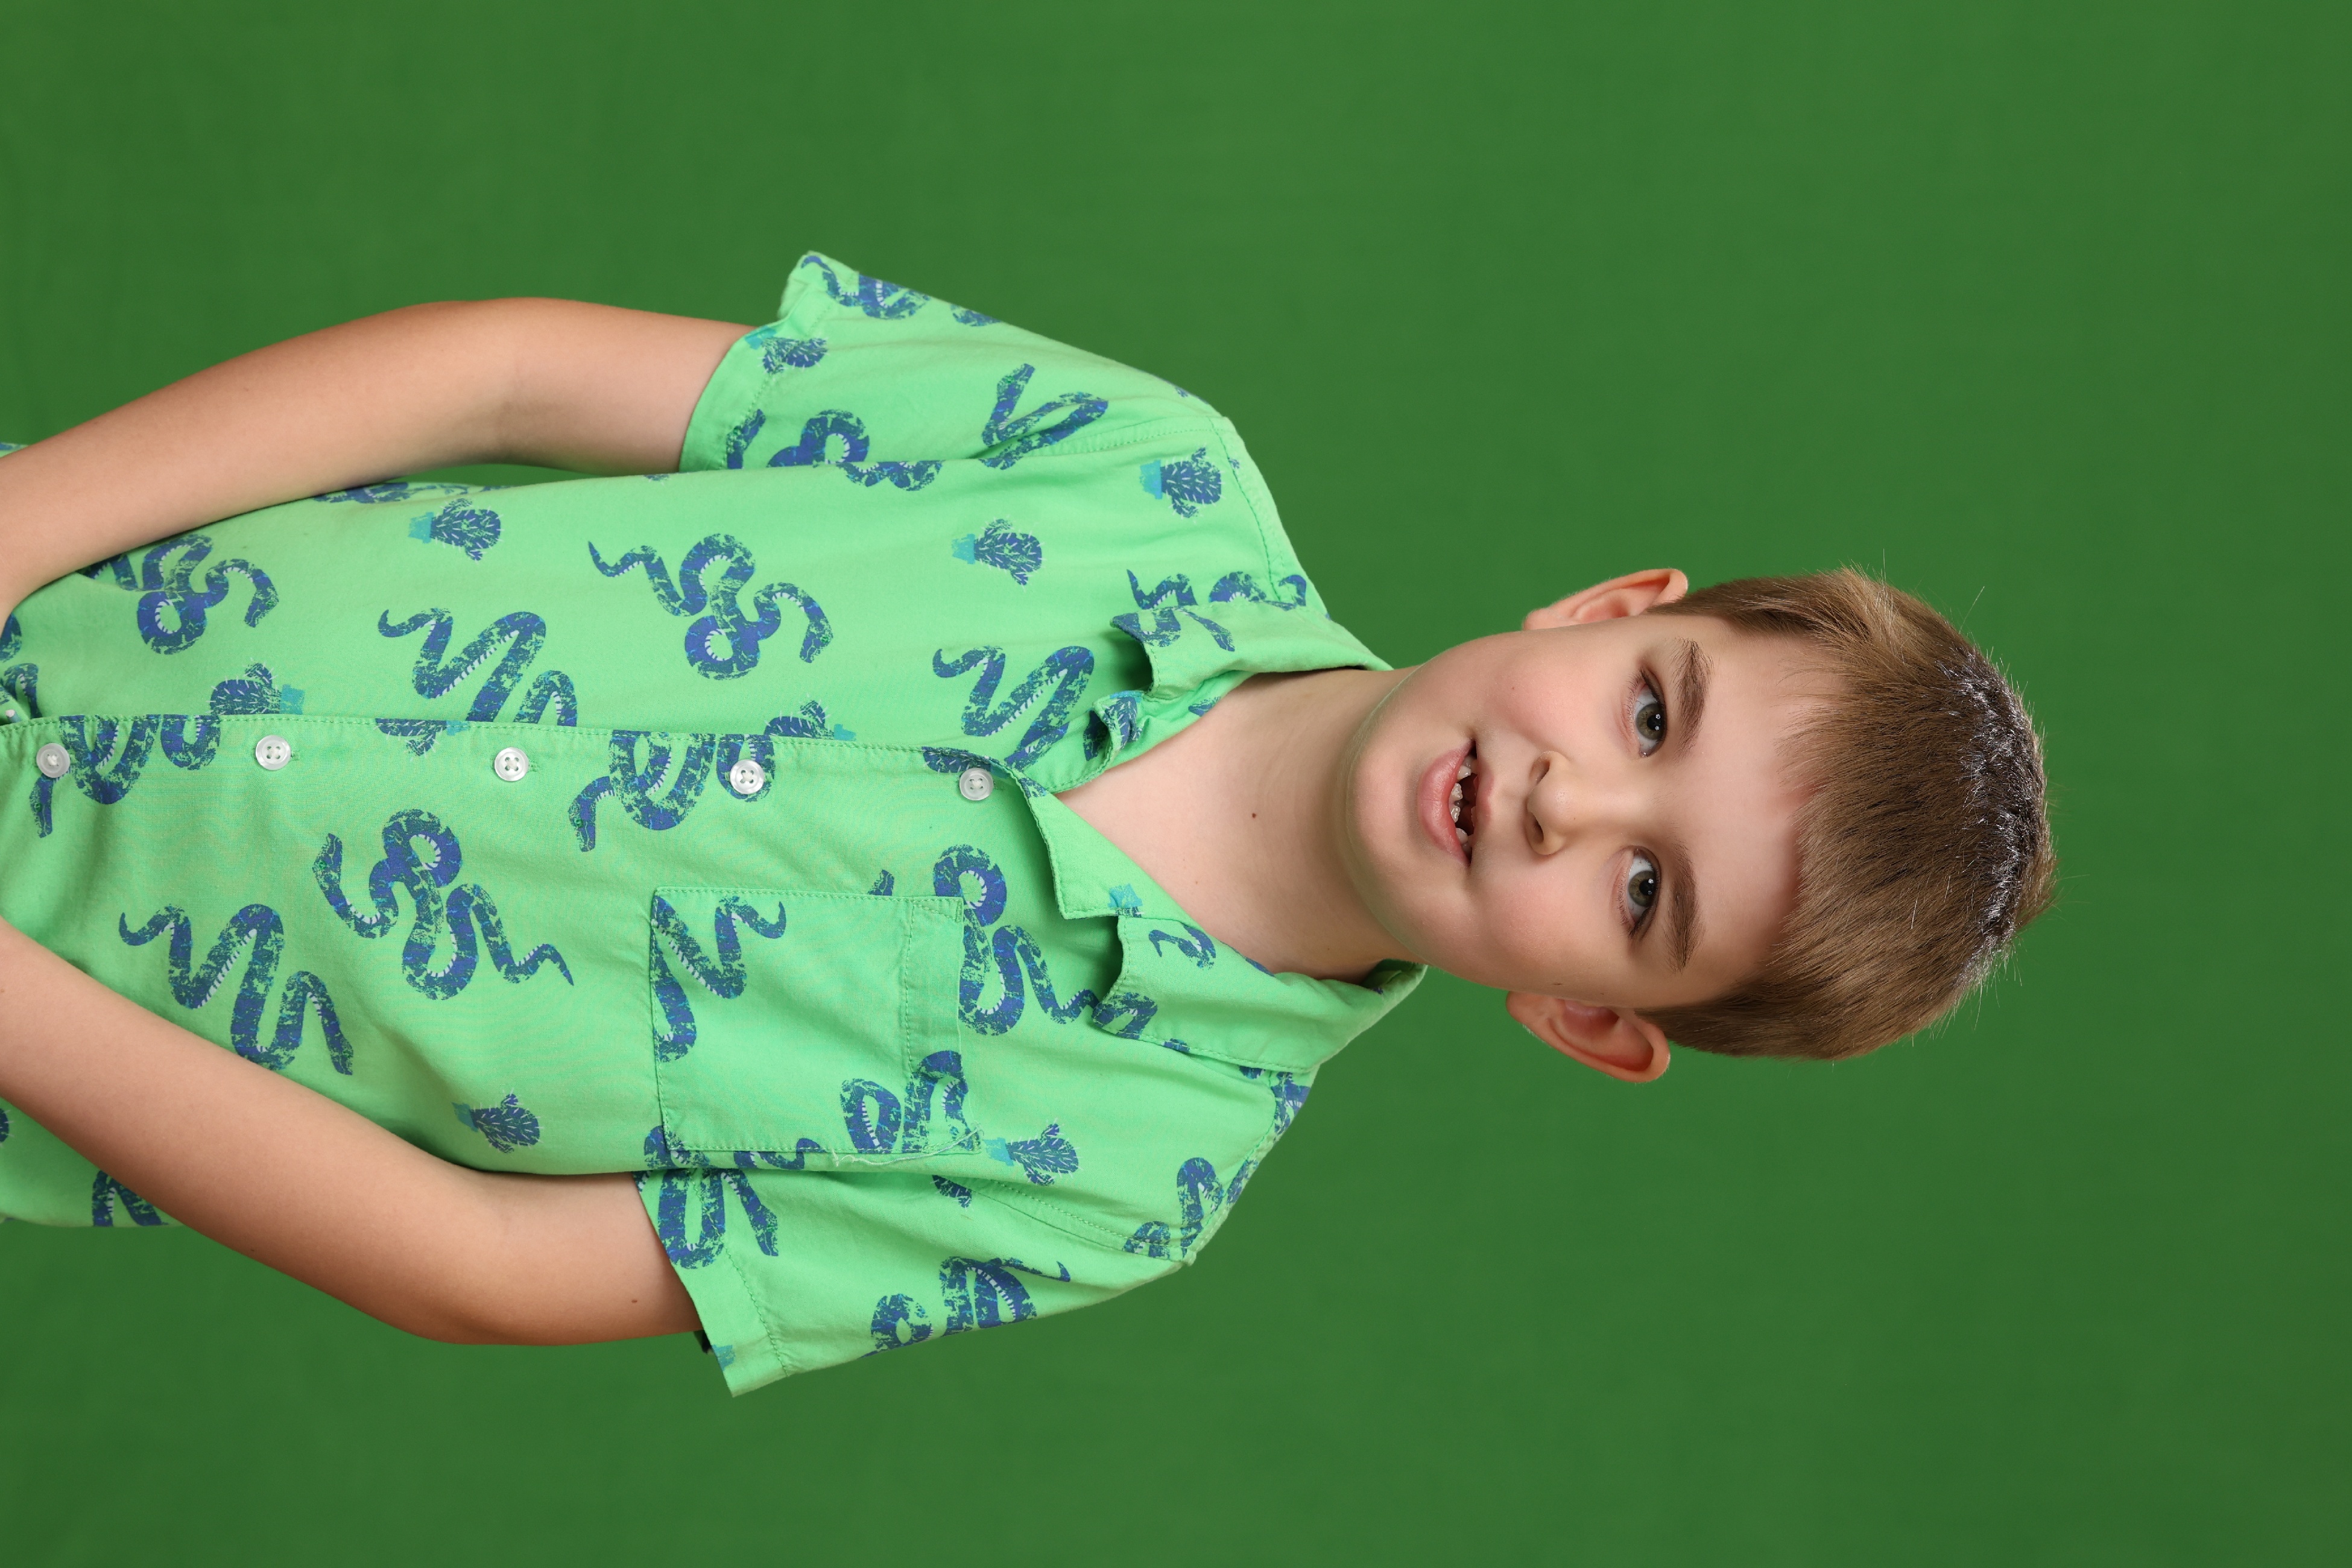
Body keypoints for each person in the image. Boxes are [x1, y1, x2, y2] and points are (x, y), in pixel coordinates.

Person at [0, 254, 2052, 1394]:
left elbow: (482, 1265)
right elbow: (511, 372)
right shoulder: (1138, 468)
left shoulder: (1122, 1177)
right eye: (1647, 712)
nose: (1562, 796)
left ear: (1592, 1020)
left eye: (1642, 888)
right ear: (1607, 610)